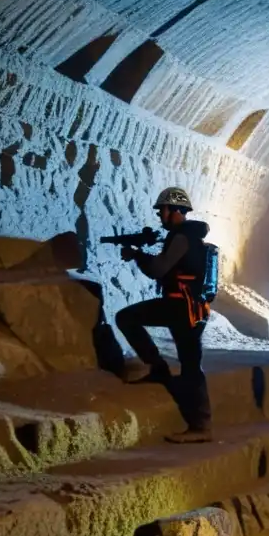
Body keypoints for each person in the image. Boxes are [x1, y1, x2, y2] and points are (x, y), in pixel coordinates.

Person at [115, 187, 213, 444]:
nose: (160, 215)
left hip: (184, 310)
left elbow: (158, 269)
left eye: (163, 210)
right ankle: (158, 369)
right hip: (179, 307)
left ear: (175, 210)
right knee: (127, 318)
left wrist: (136, 255)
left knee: (191, 366)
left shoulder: (181, 238)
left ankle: (200, 426)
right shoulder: (187, 236)